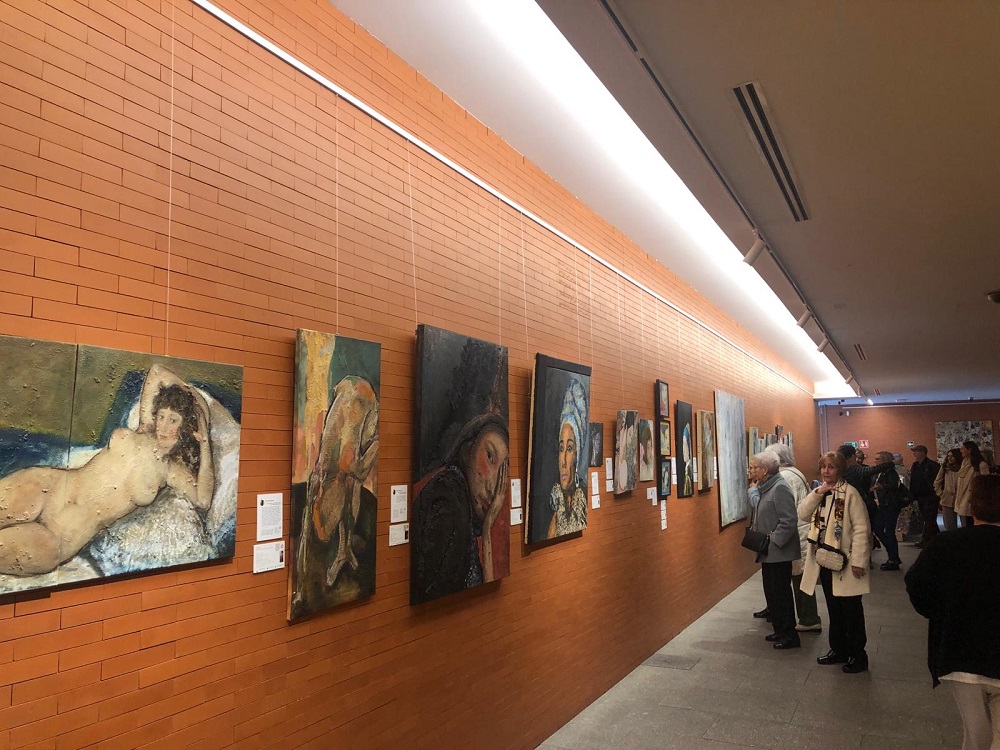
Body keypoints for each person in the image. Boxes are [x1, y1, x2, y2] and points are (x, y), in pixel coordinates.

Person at [0, 364, 214, 576]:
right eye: (161, 416)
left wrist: (204, 440)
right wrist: (194, 396)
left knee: (38, 548)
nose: (163, 426)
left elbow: (203, 500)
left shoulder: (171, 471)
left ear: (186, 426)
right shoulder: (144, 429)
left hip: (63, 534)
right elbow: (157, 371)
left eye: (173, 420)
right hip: (50, 487)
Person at [905, 475, 1000, 750]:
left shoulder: (945, 544)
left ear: (971, 505)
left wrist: (940, 614)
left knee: (976, 735)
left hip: (959, 651)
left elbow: (916, 585)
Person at [411, 414, 509, 604]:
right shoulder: (449, 500)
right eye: (489, 456)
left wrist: (487, 530)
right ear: (468, 449)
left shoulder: (459, 501)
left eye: (502, 472)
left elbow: (488, 591)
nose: (493, 487)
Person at [799, 451, 871, 673]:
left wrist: (859, 561)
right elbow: (802, 513)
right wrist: (817, 493)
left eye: (831, 467)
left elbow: (861, 529)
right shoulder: (821, 492)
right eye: (824, 467)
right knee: (834, 608)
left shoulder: (850, 494)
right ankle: (838, 649)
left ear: (840, 470)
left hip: (846, 562)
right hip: (825, 560)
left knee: (851, 610)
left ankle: (857, 655)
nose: (826, 471)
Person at [765, 443, 821, 633]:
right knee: (799, 576)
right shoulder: (795, 473)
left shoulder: (786, 477)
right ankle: (806, 617)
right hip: (799, 531)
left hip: (796, 533)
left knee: (800, 578)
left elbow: (784, 510)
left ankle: (809, 618)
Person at [747, 452, 801, 650]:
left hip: (778, 552)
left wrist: (773, 542)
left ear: (765, 470)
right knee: (772, 593)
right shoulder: (765, 487)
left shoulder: (780, 487)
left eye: (754, 467)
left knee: (781, 594)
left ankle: (789, 635)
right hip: (768, 552)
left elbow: (789, 520)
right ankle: (779, 629)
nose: (751, 470)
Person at [547, 379, 587, 538]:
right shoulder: (557, 513)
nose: (563, 461)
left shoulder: (583, 502)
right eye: (561, 448)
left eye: (570, 449)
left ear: (578, 455)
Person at [871, 450, 906, 570]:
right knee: (879, 529)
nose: (875, 461)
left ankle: (893, 558)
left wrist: (881, 487)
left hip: (890, 505)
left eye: (878, 459)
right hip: (883, 504)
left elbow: (894, 485)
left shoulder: (890, 472)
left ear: (884, 460)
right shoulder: (879, 472)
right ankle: (893, 555)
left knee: (889, 531)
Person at [909, 445, 942, 547]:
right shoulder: (915, 465)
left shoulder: (932, 465)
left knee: (929, 518)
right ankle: (937, 538)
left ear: (923, 452)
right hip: (920, 496)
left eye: (916, 451)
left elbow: (937, 481)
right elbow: (913, 481)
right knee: (927, 519)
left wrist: (936, 493)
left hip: (930, 496)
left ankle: (926, 540)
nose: (914, 454)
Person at [955, 441, 990, 529]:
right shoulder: (964, 463)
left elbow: (986, 484)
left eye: (963, 449)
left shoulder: (981, 465)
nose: (961, 451)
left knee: (972, 523)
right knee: (965, 523)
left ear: (969, 450)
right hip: (962, 497)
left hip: (973, 499)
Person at [935, 448, 962, 532]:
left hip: (961, 499)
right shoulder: (945, 467)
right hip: (947, 499)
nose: (949, 458)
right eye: (948, 456)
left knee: (966, 525)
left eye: (952, 456)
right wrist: (941, 494)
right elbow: (937, 482)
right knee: (949, 526)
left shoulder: (963, 468)